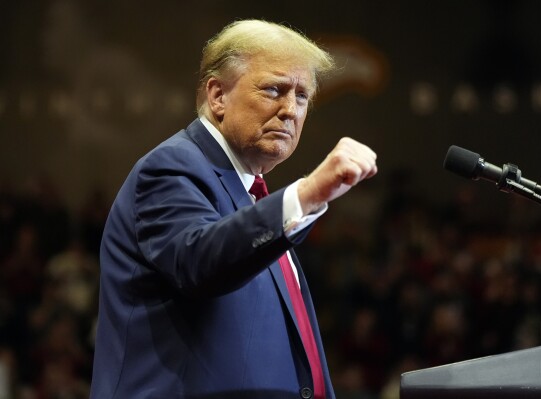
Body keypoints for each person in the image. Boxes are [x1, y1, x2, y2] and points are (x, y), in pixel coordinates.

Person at [90, 19, 377, 399]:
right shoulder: (172, 167)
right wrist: (307, 194)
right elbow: (201, 261)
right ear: (218, 95)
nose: (290, 109)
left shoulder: (253, 194)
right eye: (274, 89)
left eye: (303, 96)